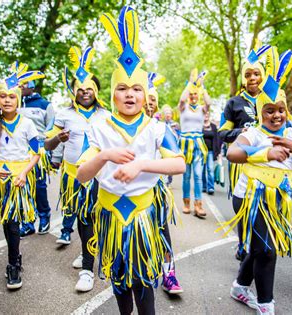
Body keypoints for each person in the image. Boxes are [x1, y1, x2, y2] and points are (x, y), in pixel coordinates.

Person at [77, 7, 185, 314]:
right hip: (111, 213)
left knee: (144, 282)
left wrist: (141, 164)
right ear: (111, 95)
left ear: (144, 94)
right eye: (122, 89)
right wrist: (106, 156)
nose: (129, 94)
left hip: (142, 212)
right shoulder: (96, 127)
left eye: (137, 89)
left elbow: (179, 164)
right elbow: (83, 176)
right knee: (119, 279)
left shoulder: (157, 127)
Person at [223, 47, 292, 315]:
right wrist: (265, 153)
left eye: (281, 111)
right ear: (261, 112)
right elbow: (233, 152)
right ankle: (266, 305)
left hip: (277, 200)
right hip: (249, 197)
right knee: (267, 250)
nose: (276, 115)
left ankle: (240, 286)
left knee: (260, 247)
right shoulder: (253, 133)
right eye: (270, 110)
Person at [44, 46, 109, 292]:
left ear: (96, 91)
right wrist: (57, 140)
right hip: (74, 177)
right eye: (79, 90)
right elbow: (47, 143)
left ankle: (91, 253)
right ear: (73, 92)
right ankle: (87, 267)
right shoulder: (63, 114)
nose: (84, 93)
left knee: (98, 219)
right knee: (83, 219)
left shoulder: (106, 114)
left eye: (89, 89)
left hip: (101, 177)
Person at [0, 62, 43, 289]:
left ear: (18, 99)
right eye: (3, 96)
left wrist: (24, 173)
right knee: (7, 222)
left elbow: (36, 153)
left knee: (14, 223)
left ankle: (13, 265)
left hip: (20, 179)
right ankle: (15, 257)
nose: (7, 100)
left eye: (11, 97)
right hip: (1, 178)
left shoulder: (27, 123)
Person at [218, 41, 271, 261]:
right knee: (244, 204)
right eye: (248, 74)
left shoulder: (272, 99)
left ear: (262, 76)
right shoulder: (234, 103)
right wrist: (243, 130)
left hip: (268, 163)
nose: (252, 78)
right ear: (243, 77)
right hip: (242, 162)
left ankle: (261, 243)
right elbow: (222, 132)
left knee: (265, 204)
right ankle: (243, 244)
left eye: (256, 74)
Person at [146, 73, 184, 294]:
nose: (150, 104)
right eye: (147, 99)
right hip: (128, 193)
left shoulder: (160, 128)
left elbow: (176, 160)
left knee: (162, 229)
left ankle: (169, 273)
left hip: (156, 188)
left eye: (153, 101)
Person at [17, 80, 55, 236]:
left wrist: (51, 153)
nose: (20, 86)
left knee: (39, 186)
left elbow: (51, 129)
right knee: (22, 186)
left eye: (24, 84)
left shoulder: (45, 105)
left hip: (38, 151)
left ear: (32, 85)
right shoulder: (15, 103)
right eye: (18, 84)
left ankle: (44, 216)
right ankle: (28, 222)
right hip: (20, 152)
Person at [179, 68, 211, 217]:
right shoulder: (183, 108)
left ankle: (198, 205)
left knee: (198, 175)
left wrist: (201, 87)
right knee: (186, 176)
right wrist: (190, 85)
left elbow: (209, 102)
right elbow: (181, 99)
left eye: (195, 94)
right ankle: (186, 203)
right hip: (185, 144)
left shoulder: (201, 109)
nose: (192, 96)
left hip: (198, 144)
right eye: (191, 95)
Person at [202, 111, 220, 195]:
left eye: (207, 114)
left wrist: (217, 152)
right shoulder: (199, 126)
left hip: (210, 151)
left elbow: (217, 140)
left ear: (209, 116)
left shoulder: (213, 126)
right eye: (204, 114)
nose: (206, 116)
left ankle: (211, 187)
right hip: (201, 151)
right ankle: (204, 187)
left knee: (210, 169)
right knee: (201, 170)